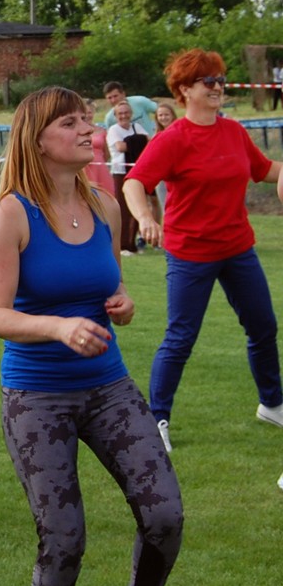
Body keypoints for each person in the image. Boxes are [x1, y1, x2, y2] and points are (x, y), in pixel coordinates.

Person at [0, 85, 184, 586]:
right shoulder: (12, 213)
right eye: (70, 123)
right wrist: (58, 328)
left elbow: (108, 288)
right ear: (39, 139)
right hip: (38, 397)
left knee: (164, 516)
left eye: (86, 120)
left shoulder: (107, 208)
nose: (87, 131)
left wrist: (124, 303)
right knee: (64, 541)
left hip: (109, 388)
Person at [125, 48, 283, 452]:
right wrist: (145, 218)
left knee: (263, 327)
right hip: (191, 252)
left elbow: (266, 171)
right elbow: (134, 183)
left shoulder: (233, 132)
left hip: (238, 248)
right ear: (184, 90)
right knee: (181, 336)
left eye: (220, 80)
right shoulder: (173, 139)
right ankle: (156, 417)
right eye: (208, 81)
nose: (217, 87)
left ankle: (272, 403)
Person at [107, 101, 147, 255]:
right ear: (116, 116)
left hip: (136, 171)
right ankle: (122, 244)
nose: (123, 116)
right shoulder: (113, 130)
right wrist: (138, 141)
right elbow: (120, 147)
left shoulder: (137, 127)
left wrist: (132, 142)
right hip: (120, 171)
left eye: (126, 112)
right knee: (122, 208)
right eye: (120, 113)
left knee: (137, 205)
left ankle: (132, 243)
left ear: (131, 114)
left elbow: (148, 141)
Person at [83, 99, 115, 194]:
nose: (88, 116)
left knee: (107, 192)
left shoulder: (102, 130)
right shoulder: (77, 131)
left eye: (90, 112)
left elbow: (107, 153)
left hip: (100, 166)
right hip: (84, 168)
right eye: (85, 113)